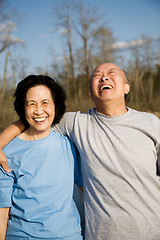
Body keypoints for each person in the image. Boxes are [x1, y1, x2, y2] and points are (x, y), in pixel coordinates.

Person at [0, 63, 160, 240]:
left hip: (151, 233)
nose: (104, 77)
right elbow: (36, 117)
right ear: (91, 91)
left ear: (126, 87)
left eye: (111, 73)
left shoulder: (151, 123)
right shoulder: (76, 123)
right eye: (97, 75)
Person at [0, 75, 83, 240]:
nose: (39, 111)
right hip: (22, 236)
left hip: (68, 235)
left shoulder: (68, 144)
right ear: (23, 108)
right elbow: (2, 212)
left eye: (45, 102)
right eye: (31, 104)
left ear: (55, 106)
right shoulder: (6, 153)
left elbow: (86, 187)